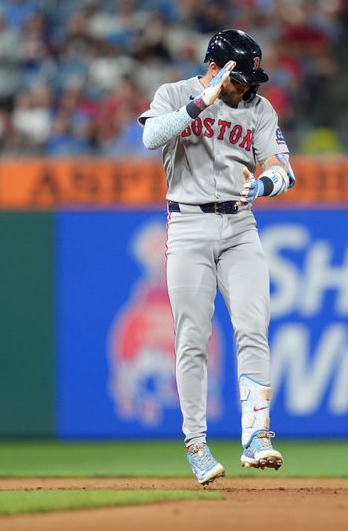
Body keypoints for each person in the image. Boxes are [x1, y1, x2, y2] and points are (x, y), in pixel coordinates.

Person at [138, 29, 295, 485]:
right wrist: (201, 102)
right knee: (192, 338)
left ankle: (257, 436)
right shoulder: (174, 93)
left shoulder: (260, 110)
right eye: (240, 76)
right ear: (217, 67)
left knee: (253, 327)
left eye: (251, 77)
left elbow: (284, 170)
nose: (248, 85)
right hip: (187, 224)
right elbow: (151, 137)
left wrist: (265, 184)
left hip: (240, 224)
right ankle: (196, 444)